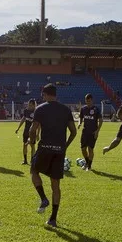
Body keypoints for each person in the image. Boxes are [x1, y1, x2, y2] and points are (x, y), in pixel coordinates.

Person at [28, 85, 77, 227]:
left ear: (45, 94)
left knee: (33, 171)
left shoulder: (41, 108)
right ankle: (53, 219)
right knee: (56, 185)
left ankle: (43, 198)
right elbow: (73, 132)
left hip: (44, 148)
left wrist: (32, 141)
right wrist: (65, 146)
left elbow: (32, 129)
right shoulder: (66, 110)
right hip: (59, 151)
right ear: (55, 94)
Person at [77, 94, 102, 171]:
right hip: (85, 132)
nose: (88, 102)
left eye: (89, 101)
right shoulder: (83, 109)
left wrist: (97, 131)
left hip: (93, 132)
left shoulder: (96, 109)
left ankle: (89, 166)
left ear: (92, 100)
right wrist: (79, 123)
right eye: (86, 101)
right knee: (83, 149)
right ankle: (87, 162)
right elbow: (80, 118)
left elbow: (101, 120)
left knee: (90, 149)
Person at [14, 99, 37, 165]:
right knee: (24, 145)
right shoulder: (26, 111)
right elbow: (23, 119)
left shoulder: (36, 112)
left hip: (33, 132)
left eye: (30, 105)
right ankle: (25, 160)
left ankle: (32, 161)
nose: (29, 106)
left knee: (32, 146)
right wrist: (18, 128)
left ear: (34, 105)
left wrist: (38, 134)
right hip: (26, 131)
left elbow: (38, 124)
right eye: (28, 105)